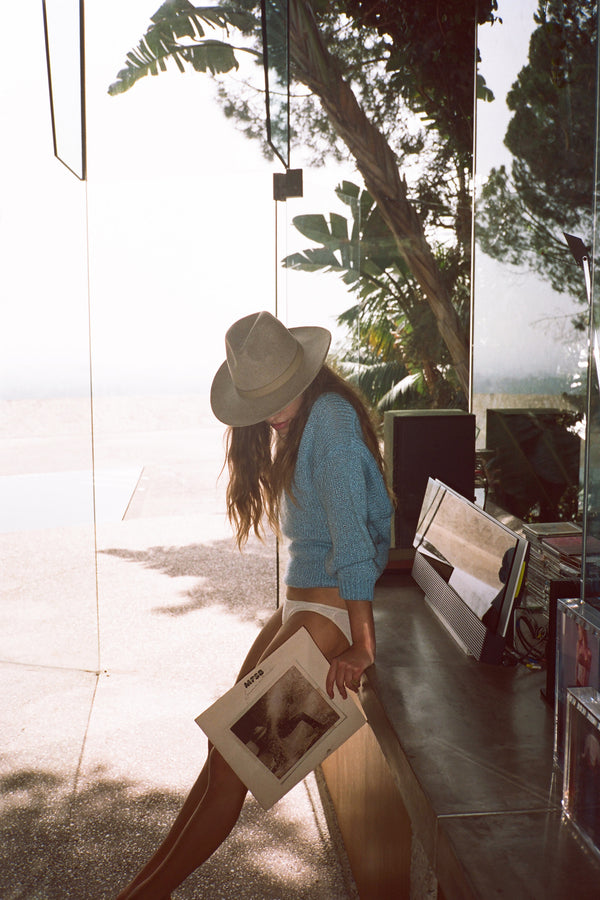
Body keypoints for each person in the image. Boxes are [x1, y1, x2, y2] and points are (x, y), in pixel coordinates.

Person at [116, 310, 393, 899]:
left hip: (331, 617)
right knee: (223, 751)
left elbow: (351, 537)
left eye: (278, 394)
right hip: (306, 608)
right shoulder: (298, 422)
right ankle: (143, 889)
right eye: (259, 399)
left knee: (232, 771)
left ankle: (142, 897)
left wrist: (364, 645)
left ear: (303, 373)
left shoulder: (333, 422)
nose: (271, 410)